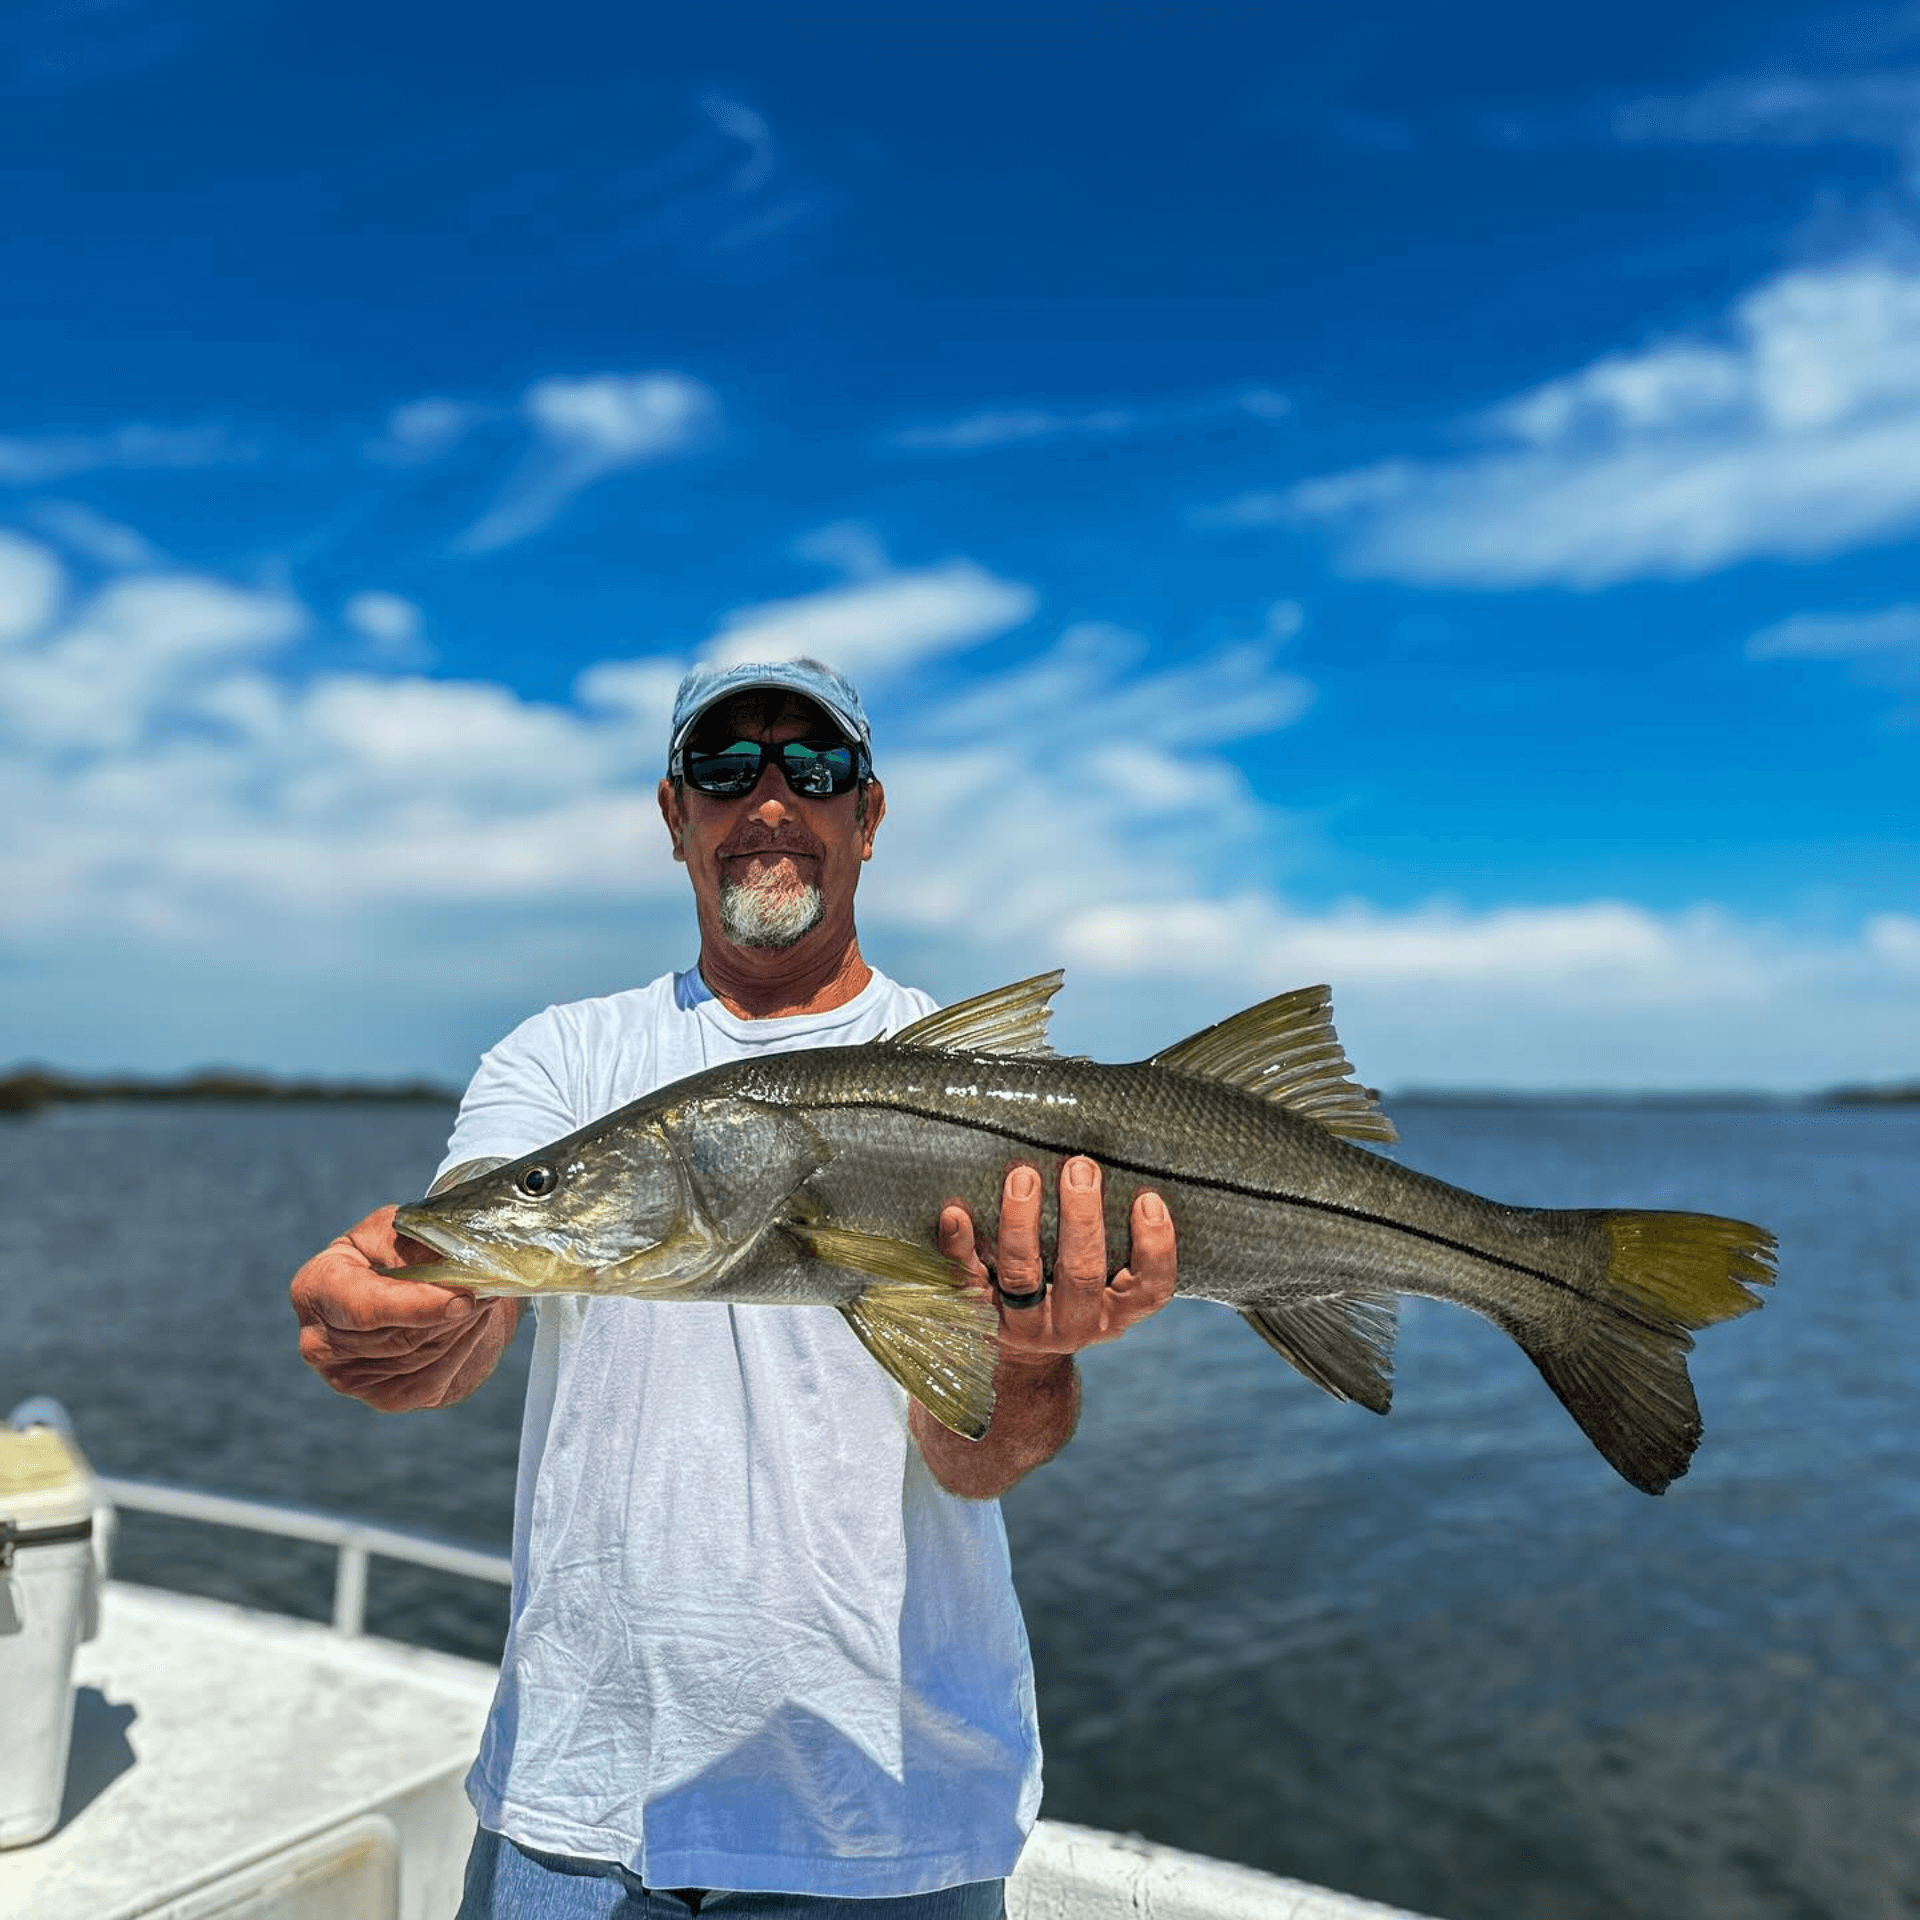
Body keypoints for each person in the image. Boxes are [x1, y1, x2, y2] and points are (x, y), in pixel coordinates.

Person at [290, 657, 1178, 1920]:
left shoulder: (960, 1058)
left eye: (813, 768)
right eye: (725, 767)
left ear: (867, 818)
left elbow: (977, 1466)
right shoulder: (566, 1057)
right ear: (675, 816)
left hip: (896, 1828)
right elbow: (482, 1264)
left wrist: (1032, 1357)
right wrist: (419, 1317)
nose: (769, 800)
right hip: (576, 1812)